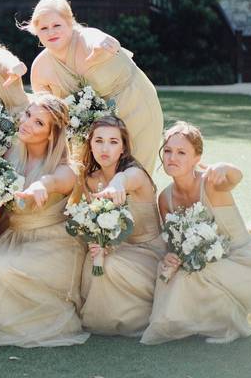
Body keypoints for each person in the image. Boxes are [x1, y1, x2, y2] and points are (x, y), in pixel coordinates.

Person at [0, 93, 89, 348]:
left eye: (38, 123)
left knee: (6, 266)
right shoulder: (10, 154)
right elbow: (3, 205)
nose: (27, 123)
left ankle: (31, 324)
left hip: (52, 243)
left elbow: (55, 181)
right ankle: (4, 320)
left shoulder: (65, 167)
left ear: (52, 134)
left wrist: (41, 185)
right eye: (28, 115)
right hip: (16, 235)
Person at [141, 122, 251, 345]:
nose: (172, 157)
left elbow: (235, 177)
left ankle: (225, 318)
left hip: (242, 264)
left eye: (181, 152)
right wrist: (172, 257)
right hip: (203, 261)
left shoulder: (211, 183)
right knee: (174, 273)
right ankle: (198, 318)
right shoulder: (165, 199)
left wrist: (225, 167)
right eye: (167, 151)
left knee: (196, 274)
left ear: (197, 158)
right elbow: (173, 244)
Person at [28, 0, 163, 173]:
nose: (51, 32)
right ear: (36, 32)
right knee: (91, 179)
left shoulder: (87, 39)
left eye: (57, 25)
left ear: (71, 23)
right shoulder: (40, 68)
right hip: (91, 130)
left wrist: (103, 44)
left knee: (135, 174)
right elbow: (45, 112)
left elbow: (96, 39)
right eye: (44, 28)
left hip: (136, 106)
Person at [76, 115, 164, 337]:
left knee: (111, 264)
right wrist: (98, 242)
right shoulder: (89, 179)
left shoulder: (136, 174)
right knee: (92, 259)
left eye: (114, 142)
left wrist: (116, 185)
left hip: (148, 251)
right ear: (90, 144)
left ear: (123, 148)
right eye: (99, 140)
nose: (105, 147)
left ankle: (133, 317)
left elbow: (125, 179)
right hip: (117, 248)